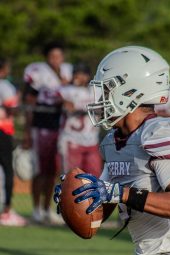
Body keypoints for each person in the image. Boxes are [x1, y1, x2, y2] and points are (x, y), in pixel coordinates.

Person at [54, 46, 170, 255]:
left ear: (130, 91)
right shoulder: (114, 140)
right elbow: (103, 206)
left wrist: (118, 192)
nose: (100, 98)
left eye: (107, 89)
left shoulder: (160, 132)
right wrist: (81, 196)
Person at [23, 41, 73, 224]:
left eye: (59, 56)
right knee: (40, 170)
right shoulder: (39, 72)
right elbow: (29, 101)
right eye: (53, 56)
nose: (56, 60)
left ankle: (47, 208)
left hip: (60, 126)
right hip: (41, 125)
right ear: (46, 57)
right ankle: (36, 208)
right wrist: (27, 131)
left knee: (53, 170)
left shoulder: (68, 72)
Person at [58, 63, 102, 177]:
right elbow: (66, 105)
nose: (79, 77)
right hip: (72, 140)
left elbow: (103, 108)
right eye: (77, 74)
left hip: (92, 141)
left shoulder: (96, 90)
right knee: (71, 178)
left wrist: (79, 106)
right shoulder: (67, 90)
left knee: (94, 178)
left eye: (83, 74)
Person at [0, 58, 27, 226]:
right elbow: (13, 109)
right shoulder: (4, 85)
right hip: (2, 131)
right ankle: (7, 211)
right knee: (7, 170)